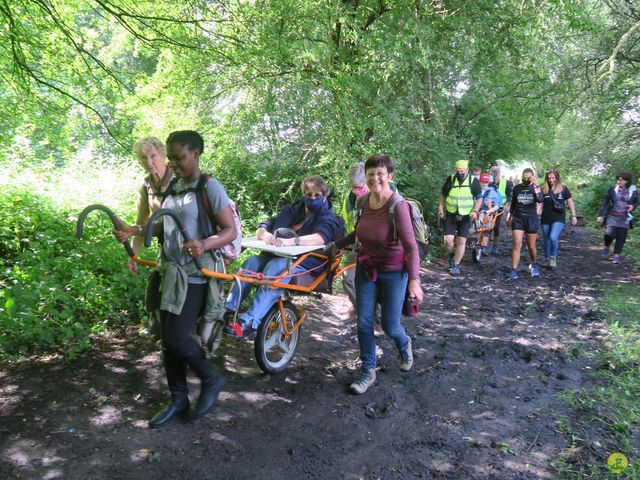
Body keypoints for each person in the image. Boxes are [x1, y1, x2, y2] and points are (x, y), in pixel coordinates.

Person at [115, 131, 236, 428]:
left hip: (196, 273)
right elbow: (163, 229)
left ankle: (211, 378)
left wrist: (205, 244)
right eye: (171, 158)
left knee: (177, 337)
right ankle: (178, 397)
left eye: (179, 158)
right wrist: (135, 231)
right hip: (170, 270)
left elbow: (229, 230)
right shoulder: (174, 188)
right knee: (167, 341)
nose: (174, 163)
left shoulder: (209, 187)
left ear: (196, 154)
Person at [333, 154, 424, 395]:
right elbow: (359, 234)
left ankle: (404, 344)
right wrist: (336, 244)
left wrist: (415, 281)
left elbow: (411, 246)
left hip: (394, 273)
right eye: (370, 174)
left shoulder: (398, 206)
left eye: (380, 173)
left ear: (389, 176)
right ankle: (367, 371)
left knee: (391, 326)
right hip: (366, 269)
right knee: (363, 322)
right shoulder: (363, 203)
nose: (374, 178)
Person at [223, 175, 343, 339]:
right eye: (309, 194)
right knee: (251, 262)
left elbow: (320, 238)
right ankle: (227, 310)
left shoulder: (329, 218)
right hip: (277, 254)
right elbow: (263, 227)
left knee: (276, 267)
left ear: (324, 196)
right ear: (303, 194)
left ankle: (250, 322)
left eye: (317, 195)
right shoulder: (292, 211)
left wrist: (291, 241)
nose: (312, 198)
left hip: (307, 261)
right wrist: (265, 235)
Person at [113, 137, 173, 274]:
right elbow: (141, 221)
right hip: (165, 247)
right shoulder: (146, 186)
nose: (149, 162)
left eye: (153, 156)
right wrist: (133, 255)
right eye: (144, 158)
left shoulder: (180, 180)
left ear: (163, 155)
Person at [438, 160, 483, 276]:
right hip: (451, 213)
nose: (459, 173)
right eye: (457, 171)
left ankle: (456, 265)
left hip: (466, 215)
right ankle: (452, 253)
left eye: (462, 171)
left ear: (467, 170)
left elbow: (479, 199)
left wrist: (475, 211)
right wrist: (441, 208)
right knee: (448, 240)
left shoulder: (474, 181)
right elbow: (443, 194)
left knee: (461, 240)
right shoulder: (451, 179)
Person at [339, 163, 369, 311]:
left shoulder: (381, 198)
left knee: (371, 283)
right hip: (354, 246)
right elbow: (344, 223)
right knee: (348, 279)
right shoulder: (350, 199)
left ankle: (374, 317)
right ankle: (363, 311)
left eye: (359, 187)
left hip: (376, 251)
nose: (356, 191)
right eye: (353, 187)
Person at [505, 168, 543, 279]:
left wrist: (536, 186)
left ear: (532, 177)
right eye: (524, 177)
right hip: (518, 219)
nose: (526, 179)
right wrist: (509, 217)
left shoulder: (535, 187)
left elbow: (540, 200)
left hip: (531, 219)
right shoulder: (517, 188)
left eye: (528, 178)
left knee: (531, 246)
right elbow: (513, 204)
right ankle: (514, 270)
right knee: (517, 244)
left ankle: (534, 264)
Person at [597, 171, 638, 264]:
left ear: (627, 181)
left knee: (621, 236)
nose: (618, 182)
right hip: (612, 215)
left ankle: (616, 256)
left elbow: (636, 202)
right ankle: (607, 246)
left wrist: (632, 206)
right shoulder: (612, 189)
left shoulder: (633, 190)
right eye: (618, 180)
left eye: (621, 180)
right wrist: (600, 215)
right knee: (609, 234)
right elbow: (605, 202)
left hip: (625, 217)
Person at [540, 169, 577, 268]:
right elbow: (540, 204)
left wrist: (573, 215)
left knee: (553, 237)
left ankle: (553, 258)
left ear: (557, 178)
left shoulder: (564, 189)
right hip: (546, 217)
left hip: (558, 217)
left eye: (553, 178)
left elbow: (570, 202)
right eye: (549, 178)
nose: (551, 180)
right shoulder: (543, 189)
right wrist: (536, 214)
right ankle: (547, 258)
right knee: (546, 239)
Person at [488, 166, 513, 254]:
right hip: (488, 208)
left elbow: (510, 196)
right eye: (492, 172)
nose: (494, 175)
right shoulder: (487, 182)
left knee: (496, 226)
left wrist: (507, 204)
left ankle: (495, 246)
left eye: (495, 173)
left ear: (499, 173)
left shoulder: (506, 183)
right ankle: (483, 245)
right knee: (486, 226)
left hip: (500, 208)